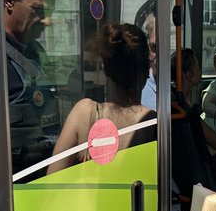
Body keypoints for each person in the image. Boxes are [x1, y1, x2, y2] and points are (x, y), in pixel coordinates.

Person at [47, 23, 156, 173]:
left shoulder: (85, 112)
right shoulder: (153, 123)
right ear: (145, 70)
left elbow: (53, 177)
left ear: (107, 70)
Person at [3, 0, 60, 166]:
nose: (46, 21)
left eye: (50, 11)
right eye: (38, 10)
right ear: (9, 1)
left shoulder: (35, 51)